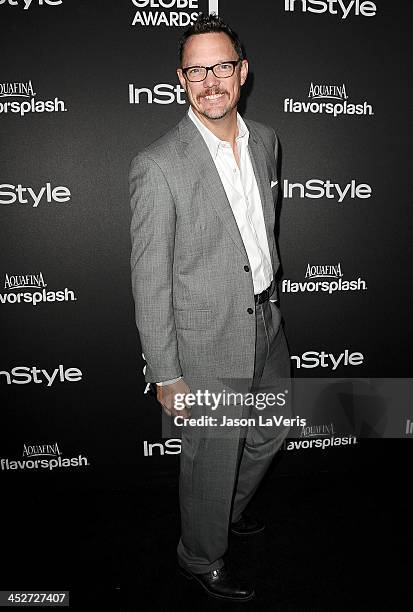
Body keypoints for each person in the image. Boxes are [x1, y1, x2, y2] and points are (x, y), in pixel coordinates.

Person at [130, 13, 291, 602]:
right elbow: (149, 281)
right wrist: (167, 373)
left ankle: (219, 513)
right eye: (196, 70)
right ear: (181, 79)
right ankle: (200, 554)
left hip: (266, 321)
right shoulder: (159, 165)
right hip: (205, 339)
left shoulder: (267, 140)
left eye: (221, 66)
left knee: (269, 433)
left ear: (242, 72)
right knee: (211, 456)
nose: (210, 81)